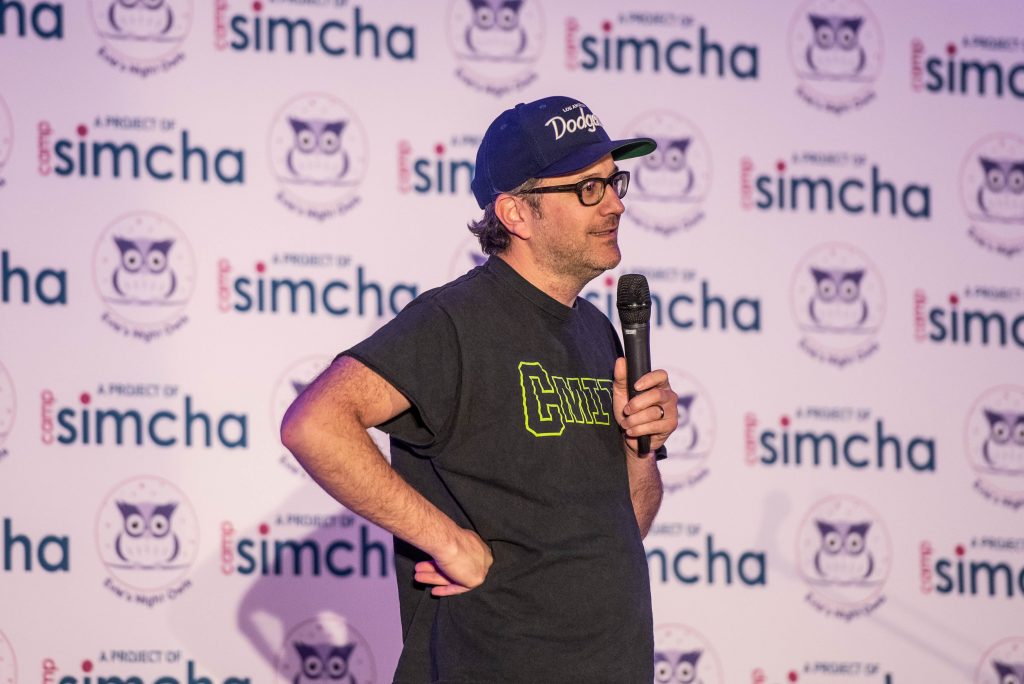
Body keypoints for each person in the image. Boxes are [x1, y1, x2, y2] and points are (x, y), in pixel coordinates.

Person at [281, 95, 679, 683]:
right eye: (588, 188)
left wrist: (638, 446)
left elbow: (628, 524)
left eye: (614, 182)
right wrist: (445, 541)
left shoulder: (598, 330)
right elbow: (314, 424)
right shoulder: (455, 321)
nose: (616, 203)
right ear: (516, 213)